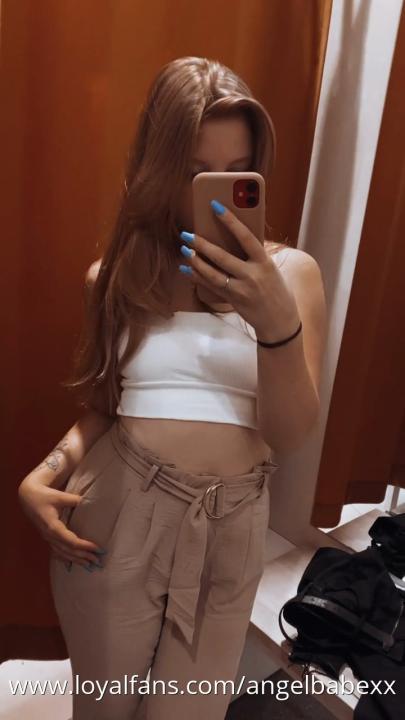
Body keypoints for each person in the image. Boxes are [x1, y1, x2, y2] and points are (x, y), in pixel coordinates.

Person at [18, 56, 327, 720]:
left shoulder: (292, 276)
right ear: (157, 170)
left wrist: (274, 324)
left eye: (237, 172)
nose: (215, 196)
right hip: (118, 507)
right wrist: (45, 471)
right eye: (195, 173)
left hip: (232, 526)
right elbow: (106, 406)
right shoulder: (114, 276)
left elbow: (291, 434)